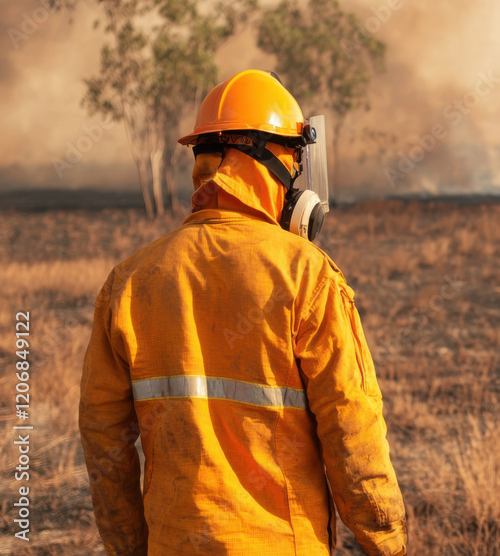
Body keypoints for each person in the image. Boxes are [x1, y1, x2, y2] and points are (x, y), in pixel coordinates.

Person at [79, 70, 406, 555]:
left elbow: (104, 436)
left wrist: (130, 547)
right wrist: (387, 543)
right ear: (266, 161)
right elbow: (352, 427)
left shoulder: (129, 281)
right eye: (294, 163)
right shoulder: (306, 275)